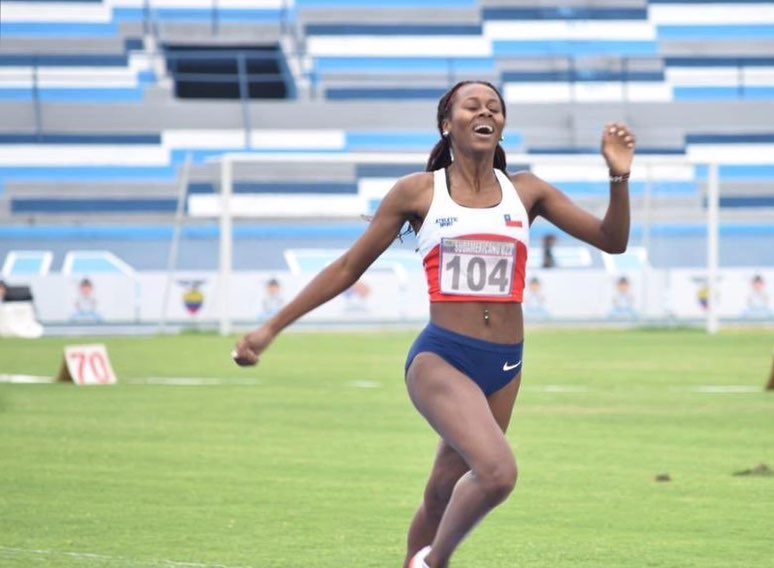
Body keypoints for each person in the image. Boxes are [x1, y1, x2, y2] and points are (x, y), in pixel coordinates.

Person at [231, 80, 635, 568]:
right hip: (442, 358)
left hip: (506, 364)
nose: (486, 111)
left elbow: (612, 241)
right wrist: (269, 329)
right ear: (448, 124)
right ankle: (432, 562)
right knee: (497, 472)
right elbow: (346, 269)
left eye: (495, 107)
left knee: (443, 489)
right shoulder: (418, 192)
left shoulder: (527, 191)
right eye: (473, 105)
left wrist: (618, 179)